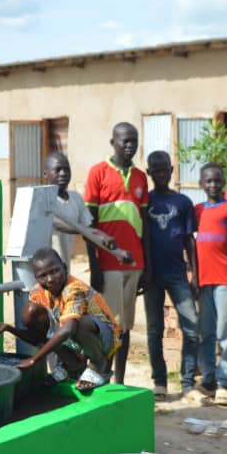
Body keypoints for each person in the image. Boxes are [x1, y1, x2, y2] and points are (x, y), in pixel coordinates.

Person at [0, 248, 120, 391]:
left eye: (55, 271)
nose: (50, 279)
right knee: (31, 312)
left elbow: (68, 330)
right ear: (36, 277)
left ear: (65, 268)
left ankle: (97, 364)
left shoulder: (74, 289)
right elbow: (38, 339)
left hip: (103, 339)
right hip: (75, 338)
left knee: (76, 323)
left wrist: (34, 359)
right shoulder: (38, 293)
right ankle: (72, 365)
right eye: (43, 276)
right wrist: (8, 328)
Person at [84, 122, 146, 384]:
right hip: (108, 264)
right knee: (110, 325)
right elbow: (89, 225)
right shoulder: (97, 173)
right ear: (113, 142)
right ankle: (102, 377)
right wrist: (94, 266)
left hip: (135, 264)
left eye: (134, 140)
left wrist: (147, 266)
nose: (129, 145)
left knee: (127, 326)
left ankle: (119, 381)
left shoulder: (142, 177)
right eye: (124, 141)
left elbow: (145, 226)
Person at [142, 151, 200, 401]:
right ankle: (160, 381)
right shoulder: (145, 202)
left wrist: (195, 275)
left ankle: (187, 381)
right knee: (155, 330)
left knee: (192, 326)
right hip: (152, 276)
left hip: (177, 273)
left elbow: (190, 240)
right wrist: (143, 272)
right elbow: (141, 237)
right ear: (149, 173)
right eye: (155, 170)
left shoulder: (183, 203)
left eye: (164, 169)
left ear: (172, 170)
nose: (161, 174)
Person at [194, 163, 227, 405]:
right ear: (201, 184)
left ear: (223, 183)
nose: (213, 185)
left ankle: (224, 383)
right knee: (206, 332)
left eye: (217, 181)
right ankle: (208, 379)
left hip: (225, 277)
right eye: (208, 181)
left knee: (226, 331)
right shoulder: (197, 210)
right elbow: (191, 244)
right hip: (203, 279)